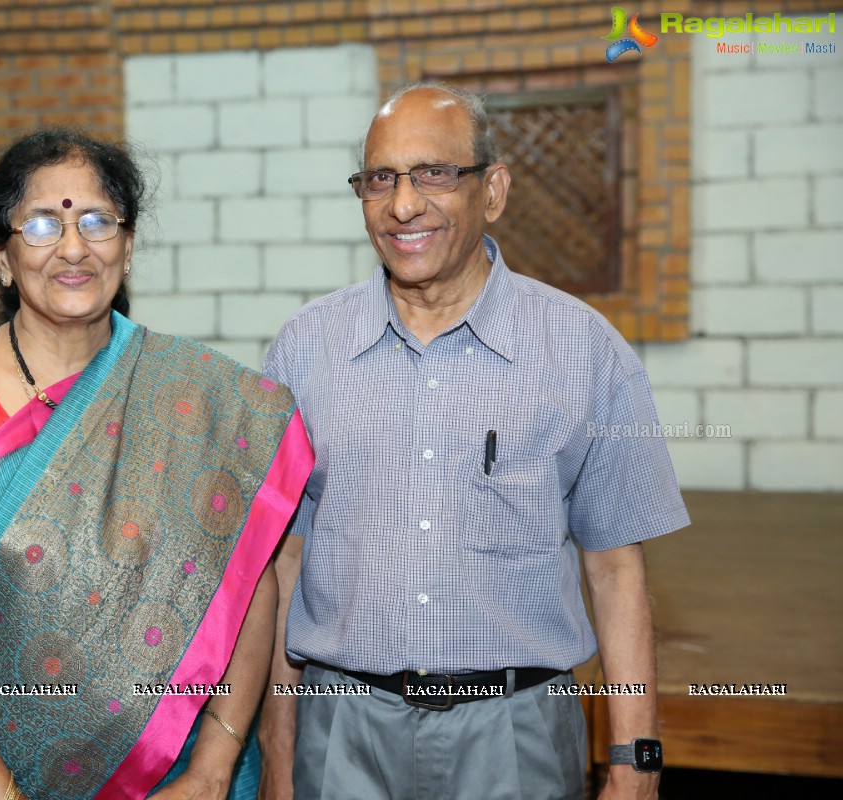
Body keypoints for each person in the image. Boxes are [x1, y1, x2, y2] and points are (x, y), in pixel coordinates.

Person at [258, 83, 690, 800]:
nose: (403, 205)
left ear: (492, 190)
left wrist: (635, 758)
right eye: (380, 179)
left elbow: (617, 571)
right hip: (340, 737)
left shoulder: (582, 351)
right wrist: (277, 753)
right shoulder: (304, 353)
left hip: (517, 740)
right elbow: (282, 566)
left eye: (434, 174)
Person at [0, 128, 312, 800]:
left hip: (179, 778)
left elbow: (246, 583)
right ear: (4, 257)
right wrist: (0, 793)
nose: (73, 247)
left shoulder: (199, 399)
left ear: (126, 247)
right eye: (42, 223)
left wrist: (214, 769)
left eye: (98, 221)